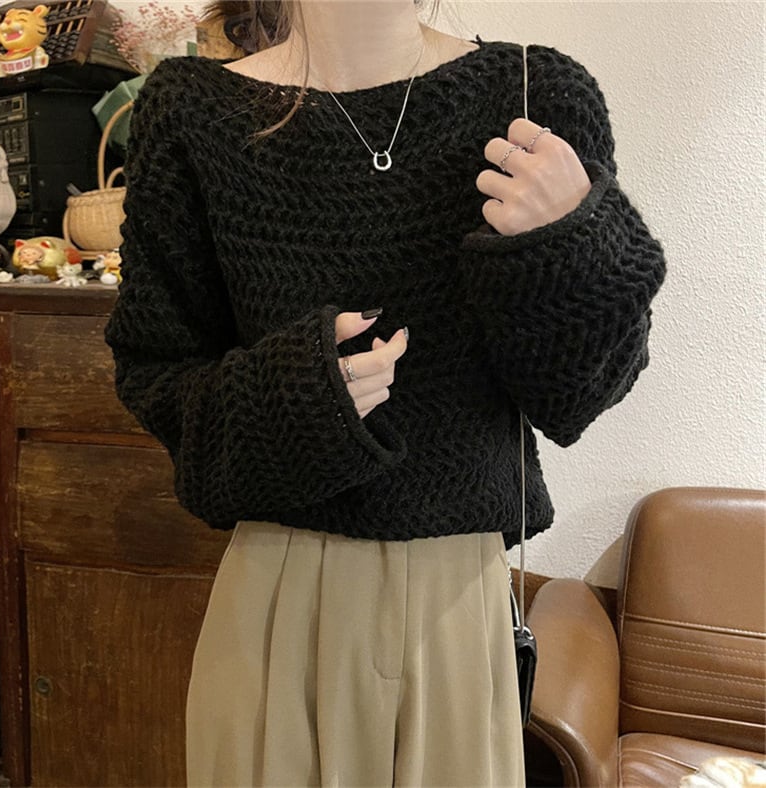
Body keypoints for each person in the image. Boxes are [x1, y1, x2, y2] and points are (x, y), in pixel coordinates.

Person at [104, 1, 666, 785]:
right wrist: (293, 399)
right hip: (278, 600)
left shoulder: (534, 94)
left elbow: (580, 396)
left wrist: (572, 236)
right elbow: (155, 371)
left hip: (456, 606)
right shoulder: (193, 111)